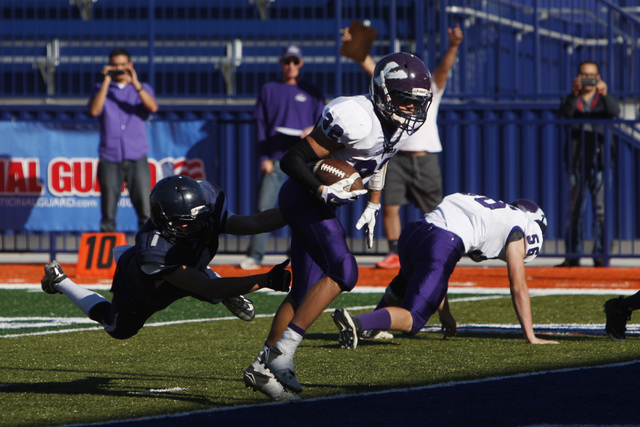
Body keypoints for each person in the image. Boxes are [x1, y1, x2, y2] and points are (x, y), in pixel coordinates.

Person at [242, 52, 434, 401]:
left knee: (302, 292)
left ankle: (262, 367)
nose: (412, 110)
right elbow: (292, 159)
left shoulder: (400, 124)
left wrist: (374, 203)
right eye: (406, 101)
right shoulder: (355, 117)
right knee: (345, 271)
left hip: (317, 204)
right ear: (384, 94)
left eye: (417, 103)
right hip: (303, 197)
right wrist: (320, 188)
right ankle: (282, 353)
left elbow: (379, 159)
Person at [41, 175, 292, 361]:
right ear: (165, 221)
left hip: (190, 268)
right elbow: (206, 287)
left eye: (201, 217)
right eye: (186, 223)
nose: (197, 225)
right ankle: (60, 281)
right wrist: (266, 279)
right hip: (150, 287)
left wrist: (295, 211)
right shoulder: (155, 250)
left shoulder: (203, 205)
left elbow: (253, 222)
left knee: (210, 285)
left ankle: (214, 281)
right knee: (117, 329)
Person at [332, 193, 560, 348]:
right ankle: (359, 323)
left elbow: (440, 272)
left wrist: (445, 313)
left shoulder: (489, 211)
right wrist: (530, 336)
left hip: (414, 233)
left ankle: (372, 327)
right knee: (414, 320)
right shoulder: (519, 227)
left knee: (409, 279)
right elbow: (518, 285)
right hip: (440, 242)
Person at [341, 24, 463, 269]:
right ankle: (395, 254)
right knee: (390, 206)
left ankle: (438, 249)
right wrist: (352, 45)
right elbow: (373, 67)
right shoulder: (393, 90)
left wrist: (453, 46)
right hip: (396, 156)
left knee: (435, 209)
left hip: (425, 157)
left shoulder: (431, 89)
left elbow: (445, 68)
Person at [239, 45, 325, 270]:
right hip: (276, 160)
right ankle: (256, 256)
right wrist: (263, 157)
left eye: (295, 62)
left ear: (301, 64)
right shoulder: (269, 89)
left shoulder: (312, 91)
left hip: (304, 162)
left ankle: (298, 256)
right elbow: (261, 126)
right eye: (287, 62)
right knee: (264, 207)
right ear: (281, 63)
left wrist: (311, 131)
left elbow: (324, 124)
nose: (291, 66)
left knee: (303, 211)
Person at [556, 60, 620, 267]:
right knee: (575, 210)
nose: (589, 80)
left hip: (600, 162)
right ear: (578, 77)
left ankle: (600, 256)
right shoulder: (571, 99)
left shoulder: (603, 100)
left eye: (592, 75)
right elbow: (564, 113)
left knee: (600, 211)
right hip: (577, 162)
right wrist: (574, 94)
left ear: (599, 77)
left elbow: (614, 111)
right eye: (584, 75)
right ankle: (573, 256)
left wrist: (605, 93)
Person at [88, 48, 159, 232]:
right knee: (108, 213)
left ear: (130, 65)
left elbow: (152, 107)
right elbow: (94, 111)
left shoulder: (141, 88)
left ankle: (147, 252)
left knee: (145, 211)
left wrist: (135, 83)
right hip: (110, 157)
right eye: (115, 65)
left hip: (137, 156)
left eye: (123, 65)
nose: (119, 69)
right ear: (109, 66)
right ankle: (109, 257)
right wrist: (106, 81)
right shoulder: (100, 89)